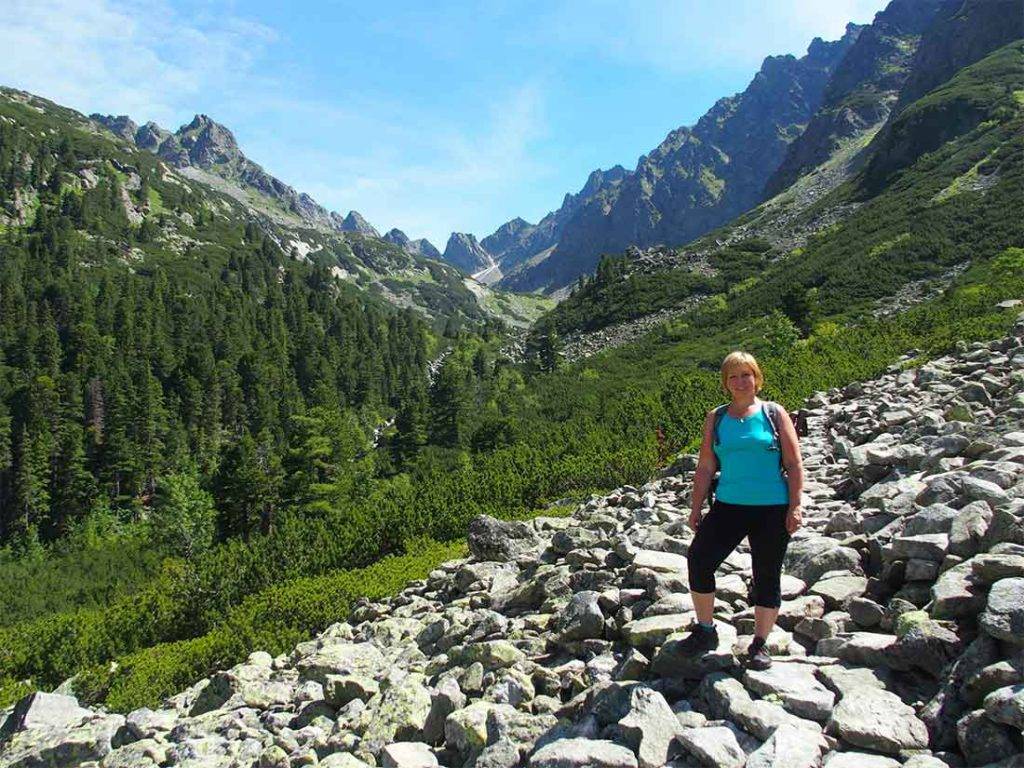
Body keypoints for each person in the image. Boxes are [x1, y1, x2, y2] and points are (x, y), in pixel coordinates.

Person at [680, 351, 804, 670]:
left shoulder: (773, 413)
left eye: (745, 374)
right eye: (733, 376)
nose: (740, 381)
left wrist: (796, 505)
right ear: (725, 383)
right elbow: (706, 466)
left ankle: (760, 643)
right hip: (728, 505)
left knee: (766, 573)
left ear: (756, 377)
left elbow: (792, 463)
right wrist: (695, 507)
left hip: (772, 507)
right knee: (700, 559)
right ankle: (706, 629)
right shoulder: (716, 417)